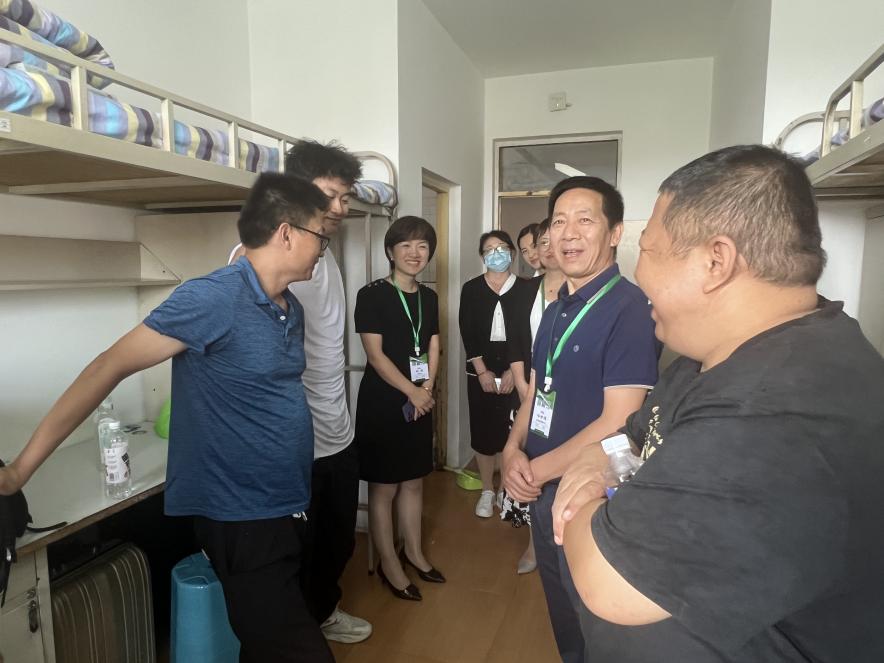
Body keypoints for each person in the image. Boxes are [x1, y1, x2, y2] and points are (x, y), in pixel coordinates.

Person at [552, 145, 884, 662]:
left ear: (716, 261)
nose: (641, 275)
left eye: (649, 250)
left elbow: (607, 580)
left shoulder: (775, 412)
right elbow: (632, 433)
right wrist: (596, 463)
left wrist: (578, 502)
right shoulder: (718, 354)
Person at [0, 174, 337, 663]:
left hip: (286, 502)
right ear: (286, 233)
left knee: (263, 643)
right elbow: (107, 366)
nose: (324, 248)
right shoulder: (213, 298)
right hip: (241, 515)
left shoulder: (289, 308)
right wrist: (18, 472)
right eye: (320, 235)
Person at [501, 176, 660, 663]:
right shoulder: (555, 308)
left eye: (585, 220)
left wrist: (533, 471)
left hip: (590, 496)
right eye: (558, 222)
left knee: (595, 625)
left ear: (615, 233)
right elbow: (537, 389)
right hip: (542, 489)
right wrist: (511, 449)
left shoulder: (630, 309)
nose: (568, 233)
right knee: (563, 618)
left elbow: (620, 418)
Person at [227, 140, 371, 643]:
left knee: (337, 540)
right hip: (290, 437)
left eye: (345, 197)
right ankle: (295, 637)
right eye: (331, 195)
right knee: (294, 548)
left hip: (335, 427)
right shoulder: (258, 261)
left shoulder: (321, 254)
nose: (341, 208)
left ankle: (322, 613)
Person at [354, 215, 445, 602]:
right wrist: (412, 391)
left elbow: (434, 344)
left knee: (414, 480)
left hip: (419, 399)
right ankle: (389, 563)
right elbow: (375, 356)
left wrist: (427, 388)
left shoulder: (429, 297)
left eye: (422, 246)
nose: (414, 252)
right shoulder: (371, 295)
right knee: (385, 486)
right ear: (390, 251)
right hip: (384, 401)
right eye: (405, 245)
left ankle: (415, 553)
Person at [501, 218, 568, 575]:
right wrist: (526, 390)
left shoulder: (579, 289)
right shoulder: (525, 291)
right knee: (529, 469)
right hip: (531, 394)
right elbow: (515, 344)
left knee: (566, 468)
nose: (546, 248)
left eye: (549, 240)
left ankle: (567, 543)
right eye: (541, 243)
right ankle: (534, 542)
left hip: (569, 399)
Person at [459, 230, 522, 518]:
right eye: (489, 249)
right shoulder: (471, 289)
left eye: (502, 248)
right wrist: (481, 371)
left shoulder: (526, 289)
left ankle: (505, 490)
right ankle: (487, 489)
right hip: (479, 372)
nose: (496, 254)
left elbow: (528, 333)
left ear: (512, 253)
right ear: (482, 256)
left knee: (511, 433)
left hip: (515, 371)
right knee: (483, 430)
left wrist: (513, 371)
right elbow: (467, 332)